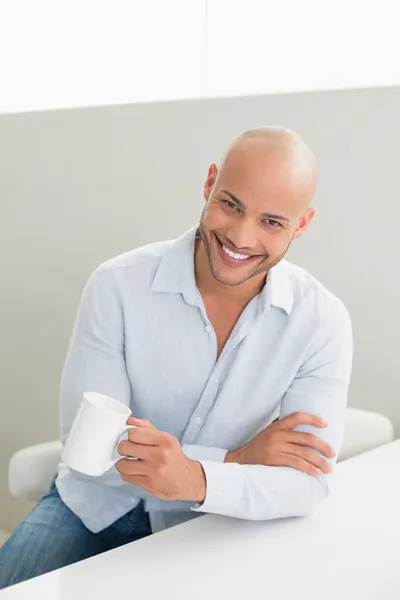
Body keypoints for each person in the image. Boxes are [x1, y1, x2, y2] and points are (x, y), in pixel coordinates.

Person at [0, 126, 353, 589]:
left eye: (272, 221)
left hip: (213, 523)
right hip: (93, 505)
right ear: (209, 184)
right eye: (231, 204)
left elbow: (307, 486)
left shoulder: (321, 321)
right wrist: (234, 459)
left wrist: (198, 482)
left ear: (301, 225)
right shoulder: (117, 286)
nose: (241, 238)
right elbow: (88, 449)